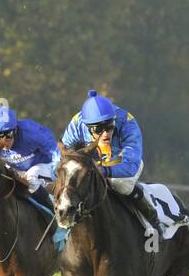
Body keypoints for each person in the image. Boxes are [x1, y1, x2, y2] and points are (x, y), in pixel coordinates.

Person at [54, 89, 160, 231]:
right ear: (87, 126)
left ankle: (150, 214)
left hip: (121, 163)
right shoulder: (77, 123)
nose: (105, 134)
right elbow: (61, 155)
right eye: (98, 129)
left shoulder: (127, 123)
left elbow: (131, 166)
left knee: (120, 184)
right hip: (93, 164)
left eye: (109, 127)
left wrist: (103, 171)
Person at [0, 104, 59, 213]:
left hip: (45, 164)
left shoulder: (31, 132)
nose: (4, 141)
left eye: (8, 135)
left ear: (16, 130)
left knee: (32, 177)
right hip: (17, 169)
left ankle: (55, 212)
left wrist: (57, 172)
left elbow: (55, 150)